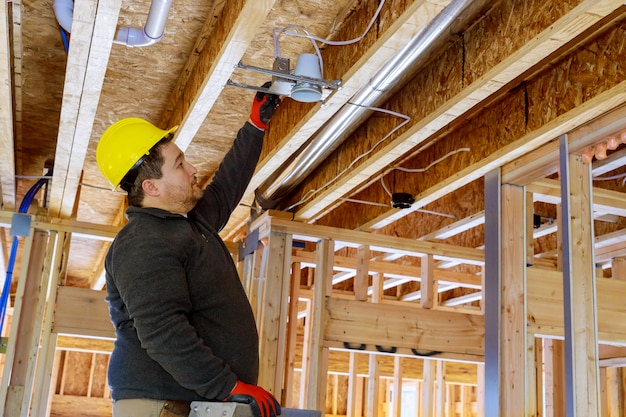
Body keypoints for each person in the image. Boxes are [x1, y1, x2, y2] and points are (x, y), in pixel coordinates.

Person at [95, 85, 282, 417]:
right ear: (151, 187)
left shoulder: (185, 225)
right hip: (162, 405)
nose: (193, 168)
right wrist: (226, 386)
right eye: (180, 164)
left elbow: (225, 189)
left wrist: (255, 125)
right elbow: (162, 331)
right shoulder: (143, 241)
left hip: (188, 401)